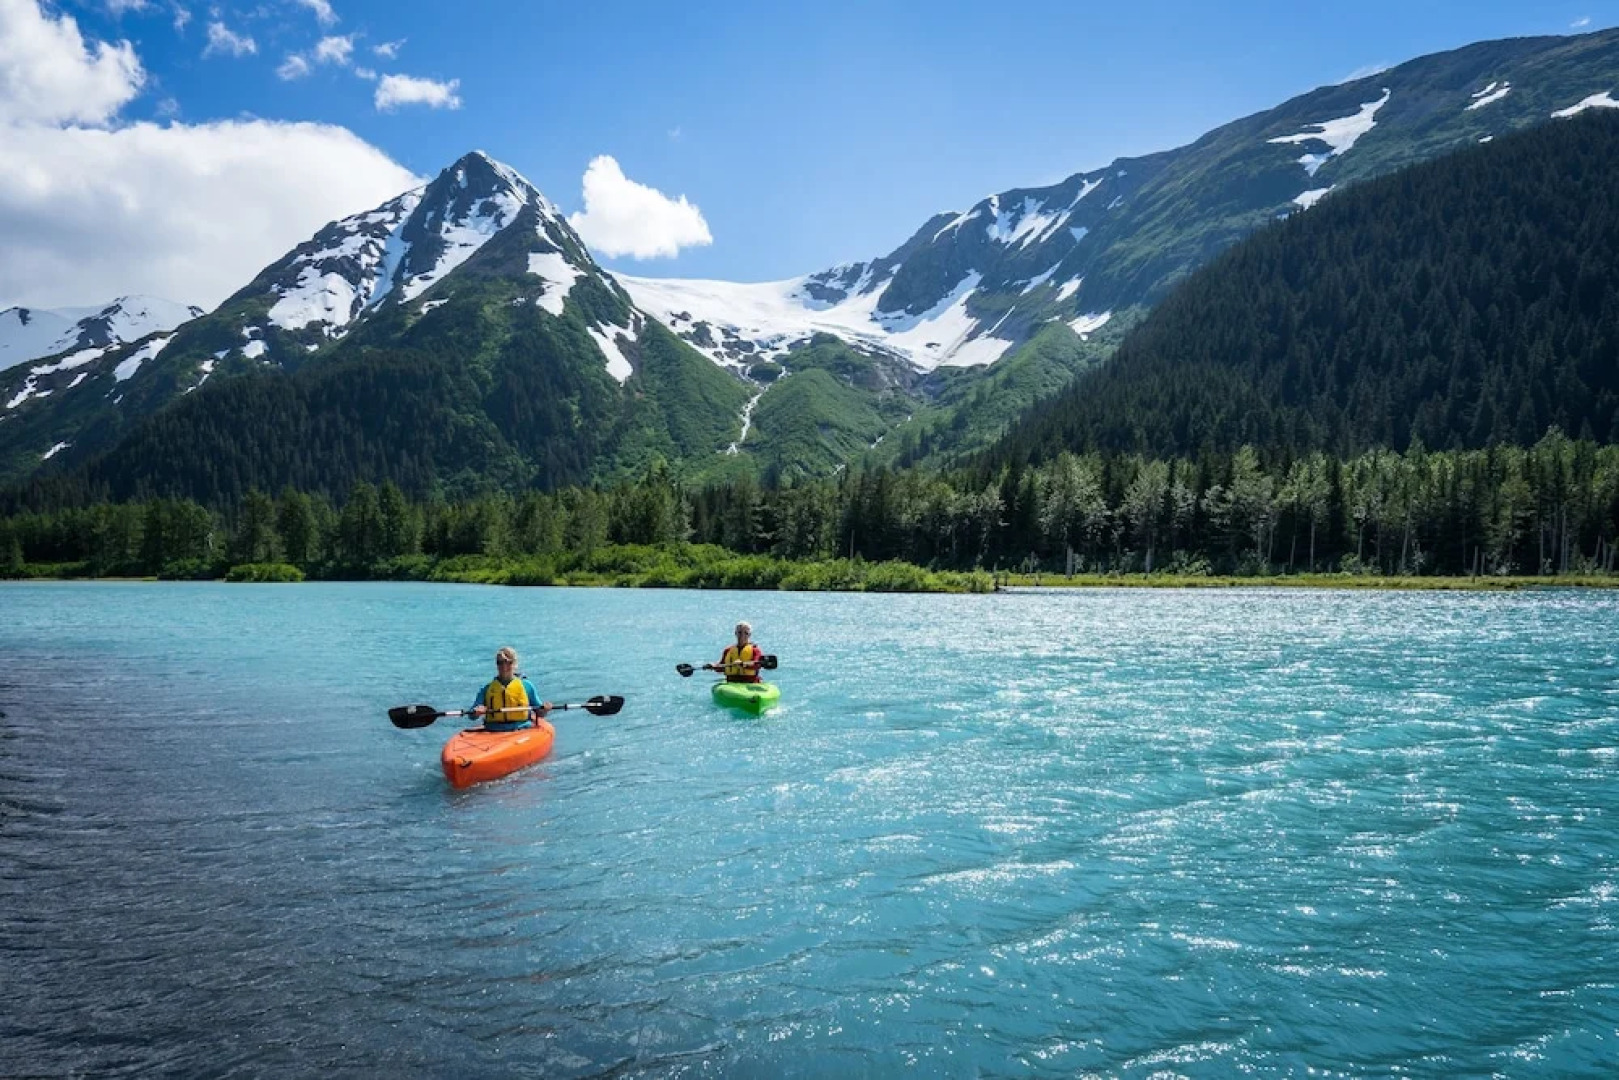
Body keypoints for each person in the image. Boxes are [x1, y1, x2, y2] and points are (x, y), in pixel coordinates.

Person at [471, 646, 551, 730]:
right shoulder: (487, 689)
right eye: (500, 662)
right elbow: (471, 716)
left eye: (508, 662)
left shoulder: (526, 686)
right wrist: (477, 712)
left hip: (521, 728)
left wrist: (545, 709)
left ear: (515, 664)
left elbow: (540, 712)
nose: (504, 666)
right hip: (493, 730)